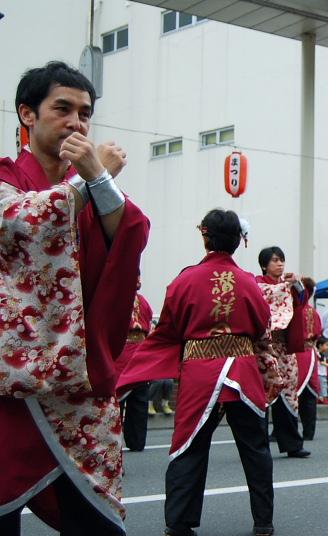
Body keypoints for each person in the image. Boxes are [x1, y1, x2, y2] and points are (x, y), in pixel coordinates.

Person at [0, 61, 149, 535]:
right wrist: (90, 179)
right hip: (10, 386)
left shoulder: (91, 185)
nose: (77, 123)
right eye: (62, 109)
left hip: (81, 385)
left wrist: (97, 181)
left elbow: (129, 232)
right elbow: (22, 221)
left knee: (96, 523)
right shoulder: (7, 179)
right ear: (27, 114)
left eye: (85, 113)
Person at [117, 209, 279, 536]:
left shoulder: (183, 281)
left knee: (189, 448)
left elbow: (168, 330)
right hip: (243, 372)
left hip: (199, 373)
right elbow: (263, 327)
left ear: (204, 235)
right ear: (237, 241)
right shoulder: (250, 283)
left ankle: (179, 523)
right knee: (255, 448)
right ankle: (263, 521)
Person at [256, 246, 313, 458]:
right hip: (263, 347)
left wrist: (296, 284)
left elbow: (302, 300)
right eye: (274, 260)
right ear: (264, 265)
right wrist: (284, 288)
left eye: (281, 260)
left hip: (284, 346)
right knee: (263, 393)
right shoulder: (257, 284)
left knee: (289, 392)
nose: (280, 264)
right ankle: (259, 444)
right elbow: (265, 297)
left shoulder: (287, 284)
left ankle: (292, 444)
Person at [117, 278, 154, 451]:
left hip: (138, 351)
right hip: (122, 351)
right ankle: (116, 440)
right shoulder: (115, 298)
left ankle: (137, 440)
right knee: (119, 399)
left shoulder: (143, 301)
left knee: (139, 399)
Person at [297, 276, 323, 440]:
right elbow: (319, 332)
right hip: (310, 354)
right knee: (309, 393)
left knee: (293, 393)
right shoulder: (313, 312)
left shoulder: (294, 310)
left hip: (296, 353)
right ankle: (309, 431)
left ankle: (282, 432)